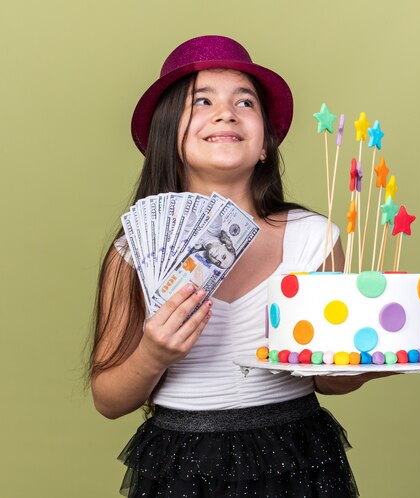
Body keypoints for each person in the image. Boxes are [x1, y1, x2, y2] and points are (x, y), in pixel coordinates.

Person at [88, 35, 392, 497]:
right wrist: (154, 355)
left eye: (244, 102)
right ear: (168, 136)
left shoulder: (314, 238)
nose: (225, 112)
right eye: (202, 101)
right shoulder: (134, 251)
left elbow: (328, 378)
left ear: (266, 143)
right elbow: (108, 400)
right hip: (180, 465)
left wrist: (374, 362)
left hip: (298, 455)